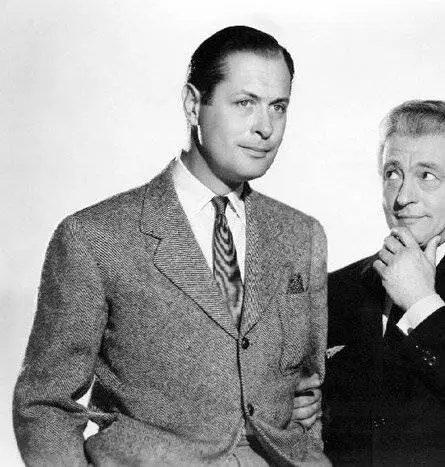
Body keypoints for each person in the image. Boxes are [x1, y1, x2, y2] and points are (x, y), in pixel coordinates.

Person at [13, 25, 330, 466]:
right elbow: (45, 404)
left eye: (278, 107)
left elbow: (308, 387)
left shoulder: (302, 235)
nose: (265, 128)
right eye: (245, 103)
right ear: (193, 104)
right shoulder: (94, 237)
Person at [323, 100, 445, 466]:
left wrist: (423, 303)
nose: (403, 197)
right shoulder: (335, 289)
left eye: (427, 176)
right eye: (393, 173)